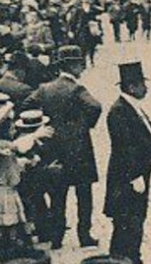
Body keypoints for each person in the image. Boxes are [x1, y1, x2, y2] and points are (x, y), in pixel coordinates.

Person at [24, 55, 103, 250]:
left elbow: (26, 105)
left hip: (53, 148)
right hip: (79, 149)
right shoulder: (76, 89)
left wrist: (44, 124)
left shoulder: (45, 89)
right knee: (84, 194)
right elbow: (95, 106)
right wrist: (82, 126)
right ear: (71, 66)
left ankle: (57, 237)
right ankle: (84, 235)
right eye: (79, 64)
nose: (82, 68)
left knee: (57, 194)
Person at [104, 60, 151, 264]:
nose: (146, 88)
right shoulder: (119, 111)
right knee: (126, 224)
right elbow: (124, 147)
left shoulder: (131, 107)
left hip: (137, 178)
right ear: (132, 87)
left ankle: (132, 260)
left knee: (135, 222)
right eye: (142, 84)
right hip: (127, 180)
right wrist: (135, 176)